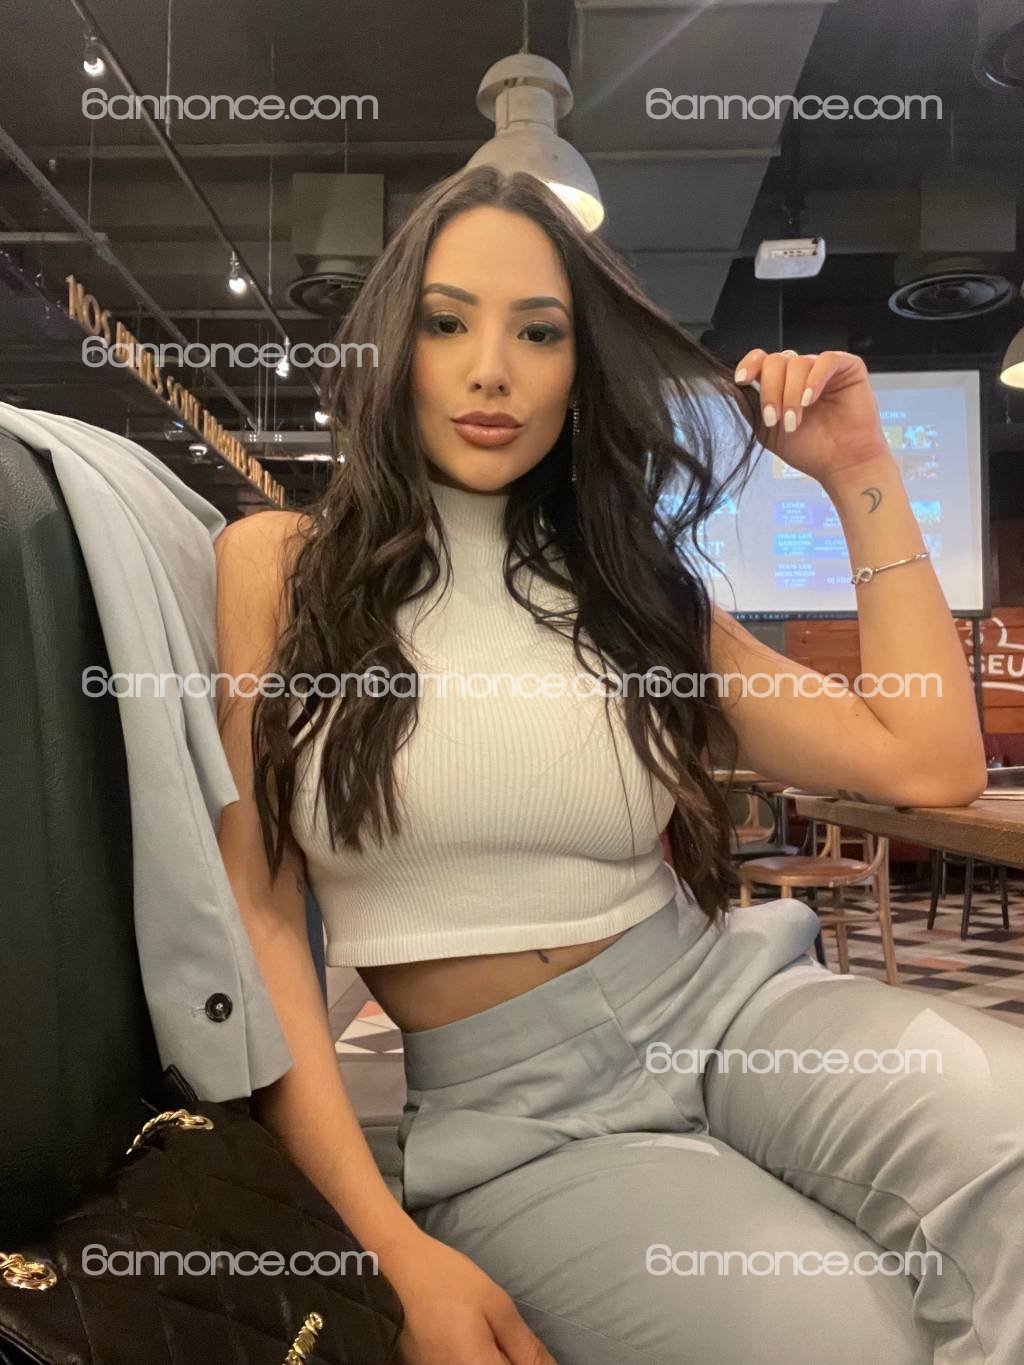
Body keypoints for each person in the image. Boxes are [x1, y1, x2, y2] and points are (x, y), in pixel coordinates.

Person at [213, 166, 1022, 1365]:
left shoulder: (628, 588)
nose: (492, 369)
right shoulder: (282, 568)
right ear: (394, 349)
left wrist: (860, 470)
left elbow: (928, 761)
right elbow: (261, 920)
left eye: (539, 332)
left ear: (579, 366)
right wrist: (387, 1245)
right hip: (519, 1118)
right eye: (447, 323)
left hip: (732, 1008)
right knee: (841, 1339)